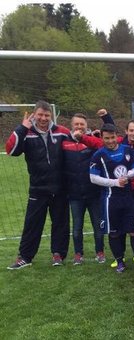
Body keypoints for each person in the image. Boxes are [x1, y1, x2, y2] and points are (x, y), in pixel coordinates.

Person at [6, 100, 70, 269]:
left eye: (47, 115)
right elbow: (11, 151)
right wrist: (22, 128)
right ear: (34, 115)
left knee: (61, 223)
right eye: (40, 115)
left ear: (51, 116)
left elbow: (78, 144)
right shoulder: (26, 133)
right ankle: (25, 257)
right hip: (38, 189)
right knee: (32, 224)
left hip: (60, 188)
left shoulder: (61, 132)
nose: (43, 118)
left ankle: (58, 254)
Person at [62, 110, 113, 265]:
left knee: (98, 225)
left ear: (86, 126)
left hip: (94, 192)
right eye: (76, 124)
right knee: (77, 227)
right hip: (74, 194)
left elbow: (108, 141)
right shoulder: (64, 142)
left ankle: (100, 252)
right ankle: (78, 254)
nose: (79, 126)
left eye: (82, 124)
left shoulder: (93, 141)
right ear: (72, 125)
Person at [89, 123, 134, 273]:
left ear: (117, 135)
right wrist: (115, 183)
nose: (110, 141)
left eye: (112, 137)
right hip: (110, 199)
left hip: (128, 197)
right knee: (115, 232)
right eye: (107, 138)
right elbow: (93, 178)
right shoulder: (98, 155)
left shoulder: (127, 150)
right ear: (102, 138)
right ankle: (119, 261)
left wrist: (127, 176)